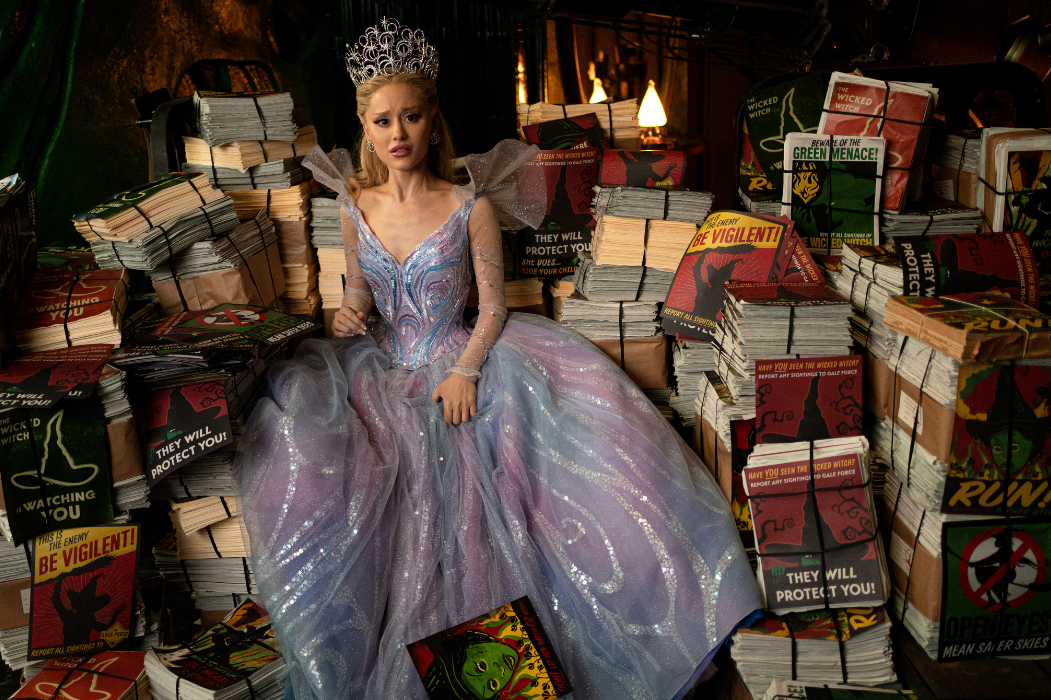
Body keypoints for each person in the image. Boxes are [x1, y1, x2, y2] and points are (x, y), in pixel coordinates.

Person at [235, 18, 760, 700]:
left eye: (412, 117)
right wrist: (345, 314)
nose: (398, 134)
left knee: (519, 478)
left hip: (460, 357)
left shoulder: (466, 204)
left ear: (432, 121)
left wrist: (466, 369)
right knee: (309, 446)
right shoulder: (351, 204)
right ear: (364, 127)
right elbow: (355, 297)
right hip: (379, 365)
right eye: (382, 120)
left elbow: (491, 308)